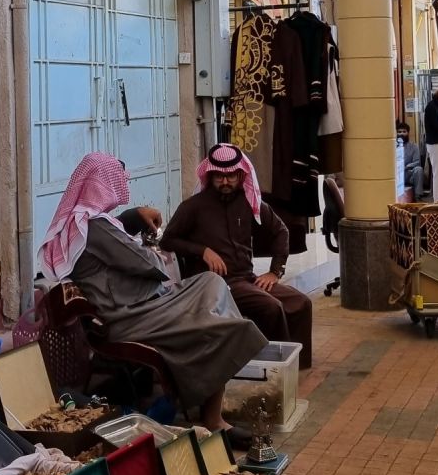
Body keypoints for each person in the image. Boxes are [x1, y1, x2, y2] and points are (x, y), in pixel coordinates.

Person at [38, 153, 265, 428]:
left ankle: (211, 342)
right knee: (221, 327)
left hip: (136, 306)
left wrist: (133, 221)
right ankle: (212, 416)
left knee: (211, 282)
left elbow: (117, 239)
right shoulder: (95, 226)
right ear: (104, 183)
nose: (124, 184)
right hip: (130, 316)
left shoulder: (85, 223)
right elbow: (152, 264)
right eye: (118, 179)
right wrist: (150, 248)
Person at [162, 144, 313, 369]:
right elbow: (168, 240)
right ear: (210, 175)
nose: (225, 182)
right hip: (217, 284)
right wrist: (203, 250)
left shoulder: (249, 202)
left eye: (231, 176)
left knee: (301, 303)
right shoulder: (193, 207)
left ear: (241, 174)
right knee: (270, 307)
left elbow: (280, 231)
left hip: (246, 279)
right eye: (219, 177)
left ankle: (297, 367)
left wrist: (275, 271)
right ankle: (272, 368)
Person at [397, 120, 425, 199]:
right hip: (396, 174)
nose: (401, 133)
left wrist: (407, 166)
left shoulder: (414, 146)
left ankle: (418, 196)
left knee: (419, 169)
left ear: (408, 133)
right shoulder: (393, 146)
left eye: (404, 131)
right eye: (399, 132)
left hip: (407, 174)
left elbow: (417, 162)